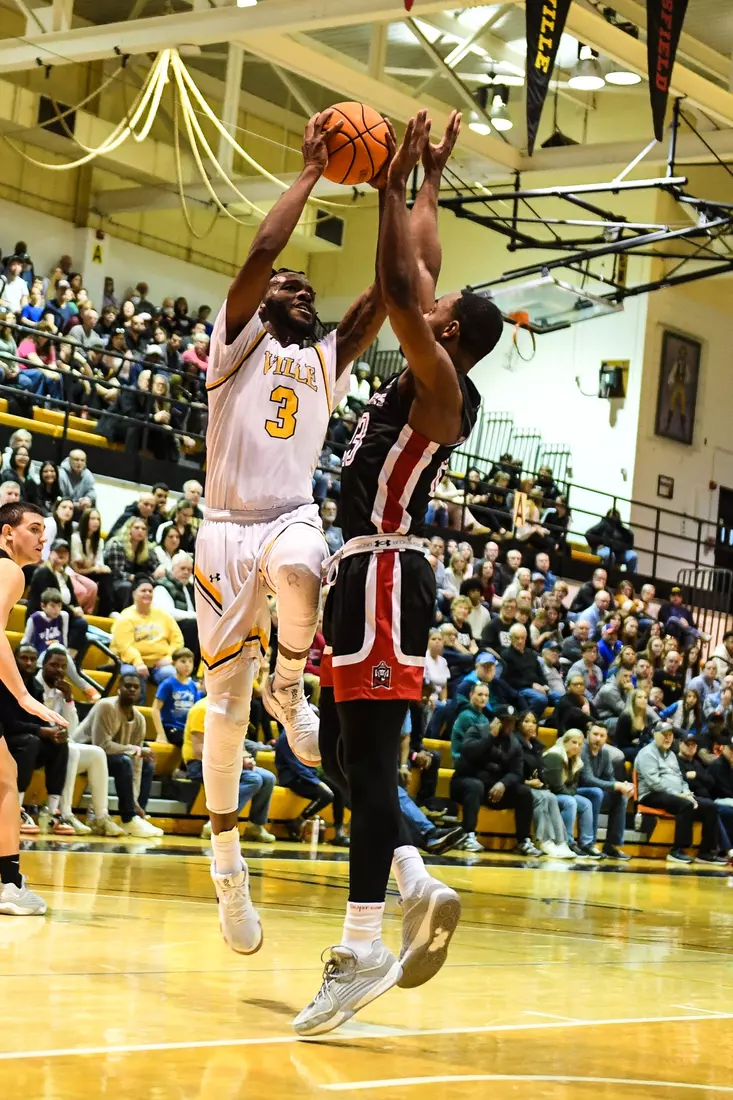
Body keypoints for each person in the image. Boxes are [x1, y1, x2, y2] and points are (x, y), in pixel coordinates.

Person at [300, 111, 504, 1035]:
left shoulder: (440, 384)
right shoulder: (436, 352)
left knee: (372, 760)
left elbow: (394, 284)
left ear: (447, 328)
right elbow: (417, 270)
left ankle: (362, 945)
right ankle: (413, 872)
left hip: (385, 574)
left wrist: (384, 179)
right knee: (342, 756)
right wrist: (427, 175)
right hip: (360, 574)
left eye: (439, 304)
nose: (430, 296)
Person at [193, 109, 399, 965]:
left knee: (306, 568)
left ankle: (290, 684)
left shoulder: (324, 360)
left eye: (309, 289)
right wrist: (312, 171)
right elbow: (260, 253)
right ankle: (226, 864)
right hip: (221, 530)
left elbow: (383, 295)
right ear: (261, 303)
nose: (301, 291)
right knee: (223, 708)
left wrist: (389, 190)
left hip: (285, 517)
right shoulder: (234, 345)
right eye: (290, 287)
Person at [0, 502, 70, 913]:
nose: (43, 537)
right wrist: (24, 696)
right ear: (8, 533)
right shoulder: (10, 570)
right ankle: (8, 885)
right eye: (34, 528)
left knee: (5, 774)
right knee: (5, 780)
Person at [75, 674, 164, 838]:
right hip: (82, 754)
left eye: (136, 687)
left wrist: (134, 800)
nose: (132, 689)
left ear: (141, 692)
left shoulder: (140, 719)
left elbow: (137, 762)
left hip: (108, 758)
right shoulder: (106, 706)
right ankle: (128, 817)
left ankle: (135, 816)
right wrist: (134, 750)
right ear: (118, 689)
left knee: (146, 765)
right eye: (127, 686)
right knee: (124, 761)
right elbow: (101, 745)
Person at [183, 696, 276, 844]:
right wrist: (236, 761)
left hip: (226, 763)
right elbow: (199, 752)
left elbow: (238, 743)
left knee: (268, 777)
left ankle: (255, 826)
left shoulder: (231, 711)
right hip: (200, 765)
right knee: (253, 779)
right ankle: (217, 823)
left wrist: (246, 758)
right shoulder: (202, 709)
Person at [450, 704, 540, 858]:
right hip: (465, 784)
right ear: (496, 721)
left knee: (524, 792)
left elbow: (517, 773)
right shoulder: (477, 731)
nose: (509, 725)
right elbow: (467, 753)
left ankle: (523, 840)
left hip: (493, 791)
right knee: (475, 786)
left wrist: (503, 784)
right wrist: (490, 737)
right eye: (505, 721)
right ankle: (467, 835)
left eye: (512, 722)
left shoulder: (514, 743)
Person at [635, 725, 724, 864]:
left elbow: (681, 779)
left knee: (710, 806)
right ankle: (677, 850)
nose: (668, 738)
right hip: (650, 795)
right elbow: (654, 783)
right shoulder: (647, 753)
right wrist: (678, 795)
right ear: (655, 735)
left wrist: (687, 793)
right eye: (664, 734)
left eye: (670, 735)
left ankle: (705, 852)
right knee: (685, 805)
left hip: (675, 795)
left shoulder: (671, 755)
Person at [515, 710, 574, 859]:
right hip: (518, 786)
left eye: (534, 722)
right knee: (541, 798)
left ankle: (561, 842)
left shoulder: (535, 745)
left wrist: (541, 782)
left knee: (551, 797)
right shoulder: (514, 742)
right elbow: (511, 771)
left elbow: (540, 770)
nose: (531, 725)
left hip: (532, 786)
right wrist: (527, 782)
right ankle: (544, 840)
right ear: (519, 723)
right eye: (526, 721)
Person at [543, 730, 604, 858]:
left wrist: (571, 792)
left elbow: (574, 786)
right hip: (549, 794)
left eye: (580, 744)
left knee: (586, 803)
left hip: (564, 793)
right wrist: (571, 793)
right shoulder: (555, 755)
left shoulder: (576, 760)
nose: (577, 746)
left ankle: (587, 843)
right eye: (574, 742)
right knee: (570, 801)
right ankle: (567, 842)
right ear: (565, 742)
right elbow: (556, 787)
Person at [111, 576, 183, 683]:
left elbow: (177, 639)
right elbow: (124, 646)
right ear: (134, 594)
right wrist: (138, 662)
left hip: (160, 663)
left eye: (150, 591)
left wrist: (170, 657)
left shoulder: (163, 615)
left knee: (171, 673)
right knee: (132, 676)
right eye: (143, 591)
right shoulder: (125, 617)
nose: (148, 593)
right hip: (132, 663)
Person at [581, 724, 633, 859]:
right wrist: (616, 785)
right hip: (578, 790)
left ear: (606, 738)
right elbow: (587, 779)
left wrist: (622, 787)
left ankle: (611, 845)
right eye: (595, 734)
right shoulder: (582, 750)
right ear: (587, 734)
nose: (598, 738)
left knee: (620, 796)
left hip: (594, 791)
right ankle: (589, 843)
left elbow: (609, 777)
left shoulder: (604, 753)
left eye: (602, 736)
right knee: (597, 793)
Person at [151, 647, 202, 748]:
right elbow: (155, 709)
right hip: (171, 727)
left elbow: (195, 709)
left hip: (187, 729)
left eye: (190, 661)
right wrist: (161, 734)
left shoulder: (192, 686)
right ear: (174, 664)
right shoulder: (168, 684)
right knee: (190, 744)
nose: (187, 665)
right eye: (183, 661)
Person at [500, 623, 549, 719]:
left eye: (522, 638)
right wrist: (531, 685)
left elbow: (539, 672)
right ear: (511, 638)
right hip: (520, 688)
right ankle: (527, 721)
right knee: (541, 699)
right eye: (516, 638)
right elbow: (509, 679)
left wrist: (544, 684)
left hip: (536, 687)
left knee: (559, 697)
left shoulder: (531, 653)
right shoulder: (506, 655)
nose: (520, 641)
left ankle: (550, 722)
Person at [585, 509, 637, 575]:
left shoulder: (622, 529)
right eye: (612, 515)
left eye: (616, 516)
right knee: (610, 555)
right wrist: (602, 541)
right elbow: (588, 534)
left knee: (633, 555)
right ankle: (609, 576)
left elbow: (629, 544)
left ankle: (630, 578)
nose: (614, 517)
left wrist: (620, 546)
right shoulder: (602, 525)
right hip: (604, 549)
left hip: (619, 553)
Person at [58, 450, 96, 516]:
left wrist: (87, 499)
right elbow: (60, 498)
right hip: (64, 509)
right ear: (69, 460)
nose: (79, 463)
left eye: (82, 460)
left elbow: (91, 492)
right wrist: (76, 505)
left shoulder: (88, 474)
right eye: (76, 460)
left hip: (81, 509)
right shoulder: (61, 474)